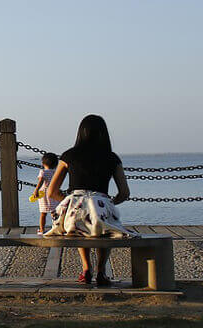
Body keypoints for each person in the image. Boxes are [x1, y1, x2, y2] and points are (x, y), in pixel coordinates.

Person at [44, 114, 135, 286]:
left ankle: (86, 269)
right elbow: (124, 193)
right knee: (104, 224)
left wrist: (70, 201)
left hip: (73, 214)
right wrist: (108, 203)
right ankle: (101, 271)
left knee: (80, 220)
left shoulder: (68, 156)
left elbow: (52, 191)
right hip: (101, 208)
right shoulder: (112, 158)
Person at [29, 153, 60, 234]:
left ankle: (42, 230)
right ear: (56, 164)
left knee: (43, 213)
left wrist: (36, 190)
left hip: (44, 195)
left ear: (43, 163)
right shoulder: (55, 172)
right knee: (54, 213)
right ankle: (56, 228)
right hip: (53, 194)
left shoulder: (43, 172)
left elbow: (41, 181)